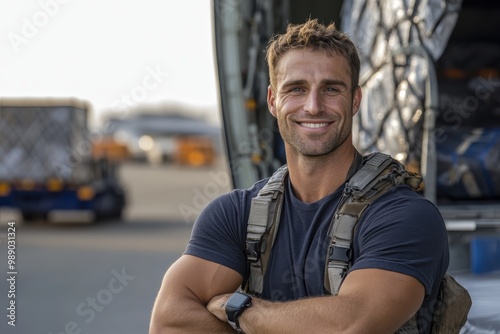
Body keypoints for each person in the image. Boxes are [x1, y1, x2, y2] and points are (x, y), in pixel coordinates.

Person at [149, 18, 449, 334]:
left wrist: (240, 310)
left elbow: (350, 326)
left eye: (331, 89)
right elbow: (169, 321)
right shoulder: (235, 214)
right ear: (273, 101)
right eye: (296, 89)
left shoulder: (404, 216)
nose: (314, 106)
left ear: (355, 100)